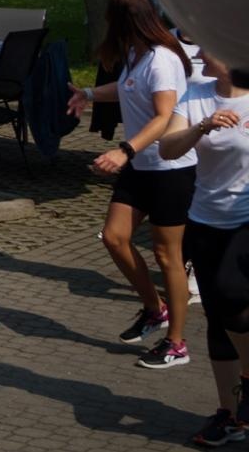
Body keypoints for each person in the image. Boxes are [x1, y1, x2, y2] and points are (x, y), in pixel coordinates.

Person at [68, 0, 196, 368]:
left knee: (167, 256)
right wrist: (88, 93)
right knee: (114, 237)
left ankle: (177, 344)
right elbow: (126, 92)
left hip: (171, 169)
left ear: (123, 19)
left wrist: (124, 150)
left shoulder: (161, 59)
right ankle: (155, 309)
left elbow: (163, 116)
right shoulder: (137, 53)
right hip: (141, 167)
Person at [159, 49, 249, 445]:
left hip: (245, 220)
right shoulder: (196, 94)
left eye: (207, 46)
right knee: (217, 322)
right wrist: (202, 127)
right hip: (204, 219)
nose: (197, 53)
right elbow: (167, 148)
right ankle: (230, 416)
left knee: (233, 295)